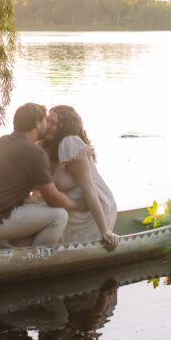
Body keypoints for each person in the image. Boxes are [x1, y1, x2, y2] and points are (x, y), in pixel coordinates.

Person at [0, 102, 82, 246]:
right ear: (37, 124)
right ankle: (35, 260)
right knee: (60, 215)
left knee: (33, 207)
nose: (47, 126)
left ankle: (19, 244)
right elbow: (54, 200)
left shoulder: (3, 141)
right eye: (45, 121)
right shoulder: (35, 153)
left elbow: (19, 184)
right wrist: (78, 205)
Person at [41, 105, 120, 249]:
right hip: (74, 202)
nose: (48, 126)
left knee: (49, 213)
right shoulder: (47, 146)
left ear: (64, 126)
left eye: (53, 123)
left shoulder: (69, 143)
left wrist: (105, 231)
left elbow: (89, 190)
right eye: (47, 121)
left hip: (93, 209)